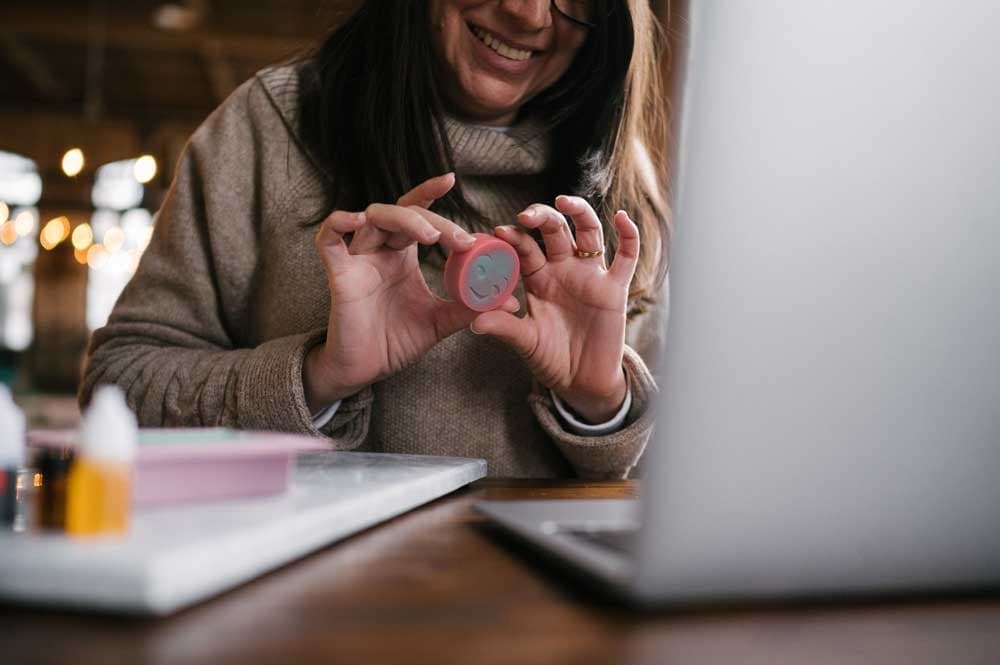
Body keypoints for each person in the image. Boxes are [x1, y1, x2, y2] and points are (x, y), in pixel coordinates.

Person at [79, 0, 671, 479]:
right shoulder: (271, 126)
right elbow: (116, 391)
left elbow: (681, 462)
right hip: (297, 603)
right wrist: (318, 377)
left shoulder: (622, 185)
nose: (529, 13)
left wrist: (600, 406)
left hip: (535, 617)